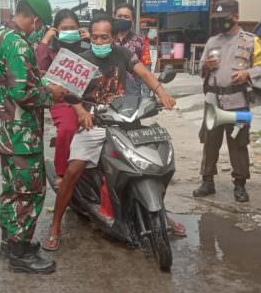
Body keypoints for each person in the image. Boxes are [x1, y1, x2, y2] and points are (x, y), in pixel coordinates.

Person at [42, 14, 177, 251]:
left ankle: (161, 213)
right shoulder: (82, 59)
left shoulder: (123, 54)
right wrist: (80, 111)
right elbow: (67, 92)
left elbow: (143, 73)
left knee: (149, 162)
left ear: (113, 38)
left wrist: (160, 91)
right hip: (94, 124)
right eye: (95, 37)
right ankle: (55, 225)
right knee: (73, 170)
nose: (99, 41)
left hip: (122, 120)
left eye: (104, 37)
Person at [0, 0, 67, 274]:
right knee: (30, 191)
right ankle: (20, 252)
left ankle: (10, 242)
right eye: (39, 23)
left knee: (11, 189)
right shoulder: (18, 44)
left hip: (3, 129)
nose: (38, 29)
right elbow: (23, 92)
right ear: (33, 17)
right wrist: (51, 94)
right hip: (22, 134)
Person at [192, 0, 261, 203]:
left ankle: (240, 185)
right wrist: (206, 65)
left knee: (238, 145)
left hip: (239, 101)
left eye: (224, 19)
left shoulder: (251, 41)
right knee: (210, 143)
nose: (220, 23)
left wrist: (247, 73)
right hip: (213, 102)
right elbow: (199, 69)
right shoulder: (212, 41)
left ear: (235, 17)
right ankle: (207, 181)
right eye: (217, 20)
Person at [35, 9, 89, 188]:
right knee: (67, 129)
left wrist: (91, 40)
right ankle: (61, 172)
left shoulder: (87, 46)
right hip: (62, 99)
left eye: (72, 27)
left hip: (88, 98)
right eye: (64, 28)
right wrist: (45, 40)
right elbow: (37, 69)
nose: (69, 30)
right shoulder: (49, 51)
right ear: (56, 29)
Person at [113, 3, 150, 97]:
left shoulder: (141, 41)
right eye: (119, 16)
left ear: (132, 19)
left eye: (126, 17)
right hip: (109, 92)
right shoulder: (106, 39)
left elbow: (146, 70)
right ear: (114, 17)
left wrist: (146, 97)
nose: (122, 19)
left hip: (132, 93)